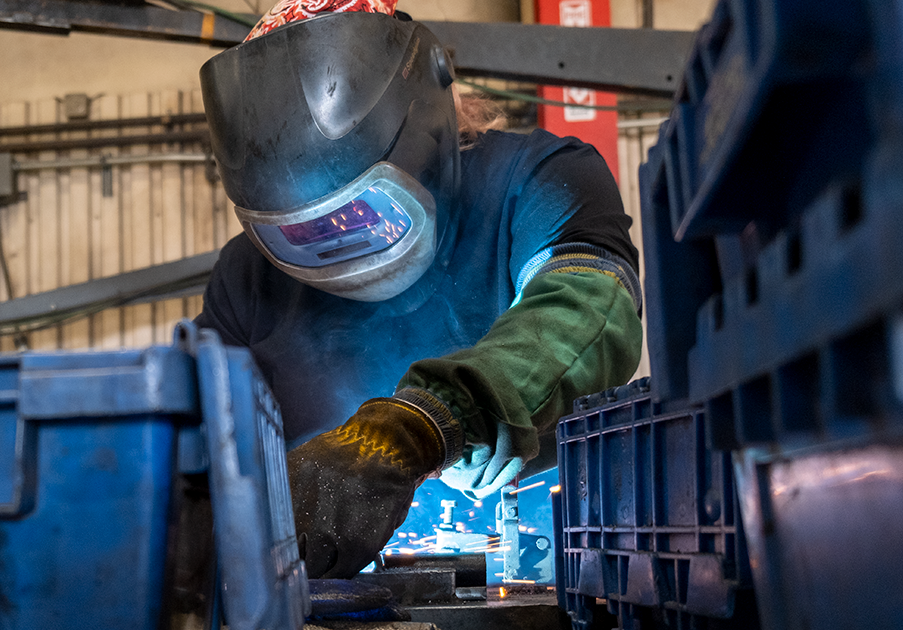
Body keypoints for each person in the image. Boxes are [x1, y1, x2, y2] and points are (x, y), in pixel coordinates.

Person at [195, 0, 642, 580]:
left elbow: (588, 306)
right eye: (301, 233)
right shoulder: (247, 277)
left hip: (554, 553)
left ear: (426, 129)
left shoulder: (538, 179)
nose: (339, 241)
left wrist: (430, 420)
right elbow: (194, 435)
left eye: (362, 212)